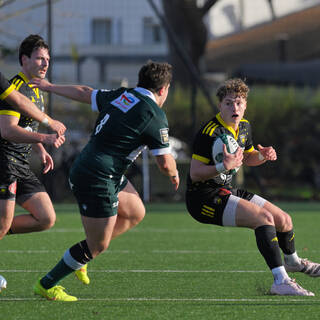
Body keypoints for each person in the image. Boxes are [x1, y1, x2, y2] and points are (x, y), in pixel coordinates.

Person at [31, 61, 179, 301]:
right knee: (97, 245)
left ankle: (83, 257)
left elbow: (85, 93)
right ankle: (46, 284)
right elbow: (165, 163)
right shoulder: (154, 114)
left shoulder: (123, 95)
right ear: (163, 90)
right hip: (97, 177)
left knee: (135, 212)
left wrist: (50, 86)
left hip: (100, 170)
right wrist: (174, 174)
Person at [185, 78, 320, 296]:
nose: (234, 107)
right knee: (263, 219)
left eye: (239, 103)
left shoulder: (245, 126)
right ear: (220, 105)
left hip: (226, 189)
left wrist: (262, 156)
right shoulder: (209, 132)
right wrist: (221, 166)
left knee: (283, 220)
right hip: (203, 198)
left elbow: (247, 158)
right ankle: (280, 281)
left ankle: (293, 262)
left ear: (245, 105)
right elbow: (195, 173)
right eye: (228, 103)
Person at [0, 71, 65, 136]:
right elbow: (8, 131)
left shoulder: (38, 87)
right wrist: (45, 134)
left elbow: (28, 128)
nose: (46, 64)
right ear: (24, 60)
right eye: (40, 59)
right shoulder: (17, 87)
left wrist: (40, 144)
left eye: (48, 60)